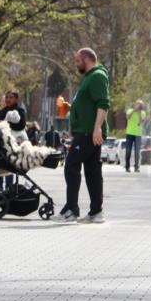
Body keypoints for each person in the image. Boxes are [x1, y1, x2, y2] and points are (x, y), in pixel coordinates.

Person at [57, 47, 109, 224]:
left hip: (88, 132)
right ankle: (96, 212)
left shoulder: (97, 76)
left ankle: (72, 209)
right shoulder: (88, 78)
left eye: (77, 60)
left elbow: (103, 104)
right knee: (92, 170)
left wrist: (97, 128)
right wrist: (71, 108)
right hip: (86, 130)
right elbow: (88, 105)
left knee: (71, 165)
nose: (76, 64)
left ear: (86, 59)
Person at [0, 91, 26, 189]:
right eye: (7, 97)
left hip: (13, 144)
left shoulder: (20, 110)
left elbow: (21, 125)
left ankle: (9, 191)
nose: (8, 99)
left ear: (16, 99)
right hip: (1, 144)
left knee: (9, 171)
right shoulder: (4, 110)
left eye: (11, 97)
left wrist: (6, 124)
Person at [124, 99, 146, 172]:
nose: (139, 106)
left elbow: (140, 122)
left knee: (137, 152)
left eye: (141, 105)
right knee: (128, 151)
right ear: (135, 104)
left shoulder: (143, 113)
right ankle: (127, 167)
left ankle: (136, 167)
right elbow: (127, 117)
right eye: (138, 104)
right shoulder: (130, 110)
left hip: (138, 134)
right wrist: (134, 111)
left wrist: (139, 112)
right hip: (130, 133)